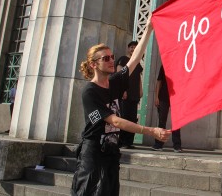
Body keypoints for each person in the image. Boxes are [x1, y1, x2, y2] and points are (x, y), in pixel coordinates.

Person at [71, 17, 171, 196]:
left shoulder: (115, 81)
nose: (111, 60)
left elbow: (134, 59)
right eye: (106, 58)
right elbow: (115, 121)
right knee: (85, 192)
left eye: (112, 57)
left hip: (111, 150)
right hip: (92, 151)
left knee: (110, 192)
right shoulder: (90, 91)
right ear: (94, 64)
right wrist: (151, 131)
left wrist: (148, 29)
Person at [115, 41, 143, 149]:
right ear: (128, 49)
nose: (133, 49)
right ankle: (121, 142)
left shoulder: (137, 62)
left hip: (134, 94)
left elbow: (139, 78)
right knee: (124, 117)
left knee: (132, 118)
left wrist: (141, 90)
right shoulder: (123, 59)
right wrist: (122, 90)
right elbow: (118, 74)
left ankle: (129, 142)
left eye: (135, 47)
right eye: (131, 47)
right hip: (125, 94)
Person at [151, 65, 182, 152]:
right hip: (163, 96)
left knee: (176, 122)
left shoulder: (181, 65)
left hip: (176, 97)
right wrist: (156, 96)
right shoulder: (164, 64)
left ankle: (177, 145)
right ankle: (158, 144)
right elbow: (159, 81)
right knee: (161, 121)